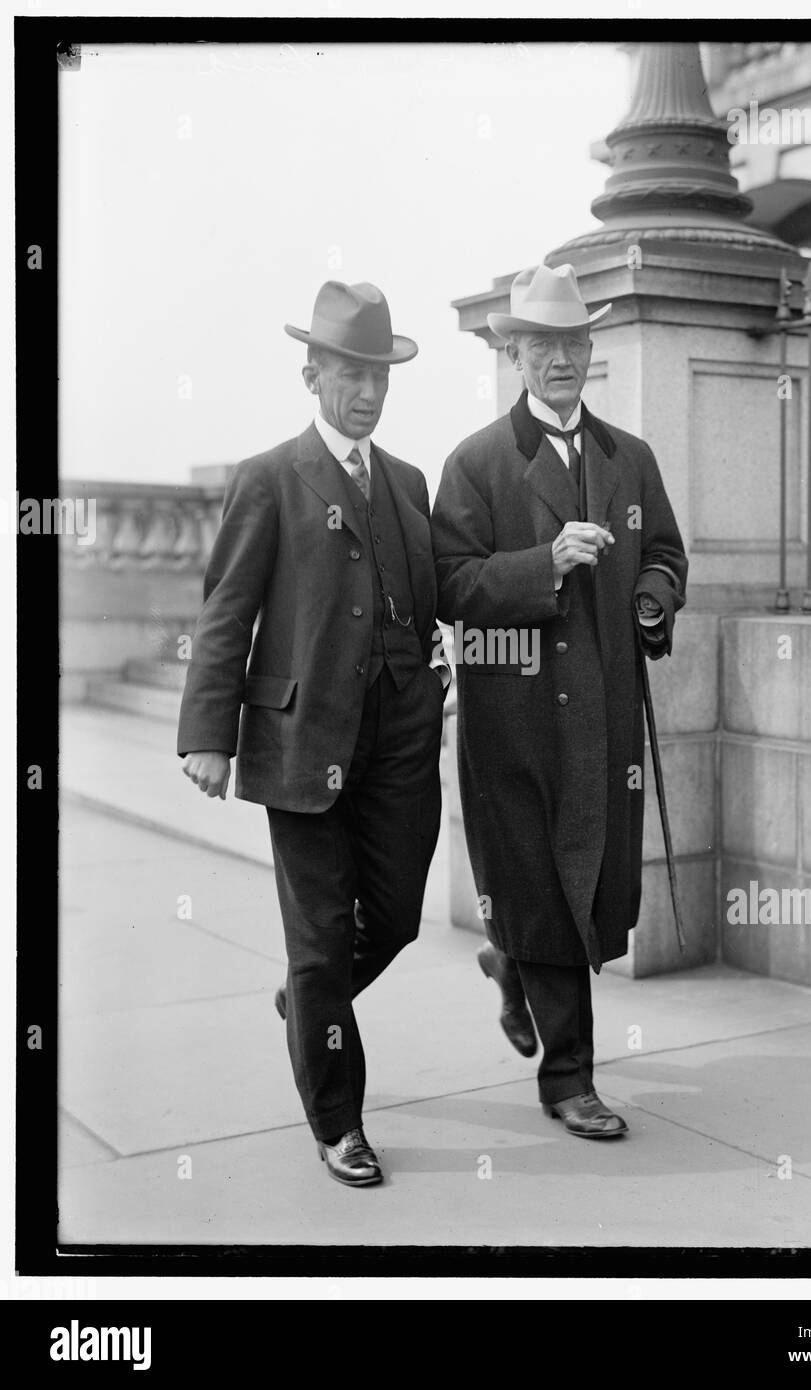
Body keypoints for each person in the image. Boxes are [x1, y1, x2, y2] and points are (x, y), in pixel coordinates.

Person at [178, 280, 447, 1186]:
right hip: (301, 744)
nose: (367, 391)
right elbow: (225, 613)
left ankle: (305, 1001)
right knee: (325, 935)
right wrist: (206, 734)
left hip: (402, 741)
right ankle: (339, 1122)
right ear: (312, 375)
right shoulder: (269, 478)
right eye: (349, 373)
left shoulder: (406, 482)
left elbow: (433, 599)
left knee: (398, 918)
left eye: (378, 374)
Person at [431, 263, 687, 1139]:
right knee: (544, 882)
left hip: (606, 710)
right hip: (517, 719)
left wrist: (649, 596)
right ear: (514, 354)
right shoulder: (475, 462)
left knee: (589, 888)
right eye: (542, 345)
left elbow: (665, 554)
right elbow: (449, 585)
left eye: (575, 343)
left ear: (591, 351)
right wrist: (544, 565)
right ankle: (567, 1080)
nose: (561, 359)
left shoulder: (631, 457)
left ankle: (511, 963)